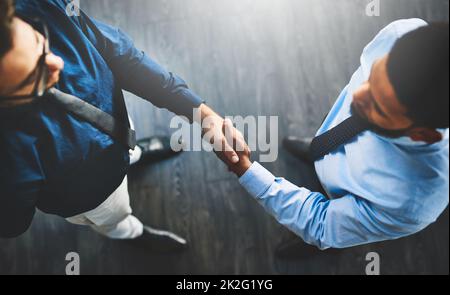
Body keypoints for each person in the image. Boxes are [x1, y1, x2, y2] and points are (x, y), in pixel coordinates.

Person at [0, 0, 248, 253]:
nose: (57, 64)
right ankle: (132, 233)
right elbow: (13, 222)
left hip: (117, 123)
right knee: (116, 217)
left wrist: (202, 114)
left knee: (129, 145)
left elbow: (119, 54)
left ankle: (134, 152)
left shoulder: (34, 5)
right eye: (33, 78)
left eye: (41, 42)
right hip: (93, 194)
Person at [222, 19, 449, 256]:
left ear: (422, 134)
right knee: (322, 144)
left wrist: (245, 169)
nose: (357, 96)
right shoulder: (400, 34)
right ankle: (316, 152)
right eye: (371, 78)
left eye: (378, 107)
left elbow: (319, 223)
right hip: (332, 137)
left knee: (324, 234)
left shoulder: (411, 203)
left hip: (337, 209)